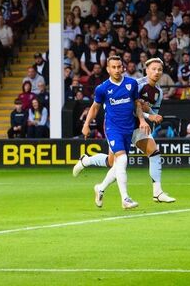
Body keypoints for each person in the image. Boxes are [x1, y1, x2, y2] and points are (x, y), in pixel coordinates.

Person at [73, 55, 149, 209]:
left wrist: (142, 120)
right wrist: (86, 124)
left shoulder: (131, 84)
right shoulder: (102, 88)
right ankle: (125, 199)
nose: (116, 70)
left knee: (113, 163)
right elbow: (95, 108)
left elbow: (136, 104)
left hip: (128, 128)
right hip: (113, 128)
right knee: (122, 161)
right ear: (107, 69)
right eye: (113, 67)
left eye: (119, 67)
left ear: (123, 68)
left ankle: (96, 180)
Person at [132, 58, 175, 202]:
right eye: (154, 69)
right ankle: (86, 162)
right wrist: (148, 115)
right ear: (147, 70)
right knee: (114, 162)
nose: (157, 72)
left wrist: (154, 115)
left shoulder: (159, 92)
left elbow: (152, 111)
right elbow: (130, 109)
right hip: (123, 124)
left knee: (154, 153)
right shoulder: (136, 85)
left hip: (139, 127)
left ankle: (157, 192)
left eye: (160, 70)